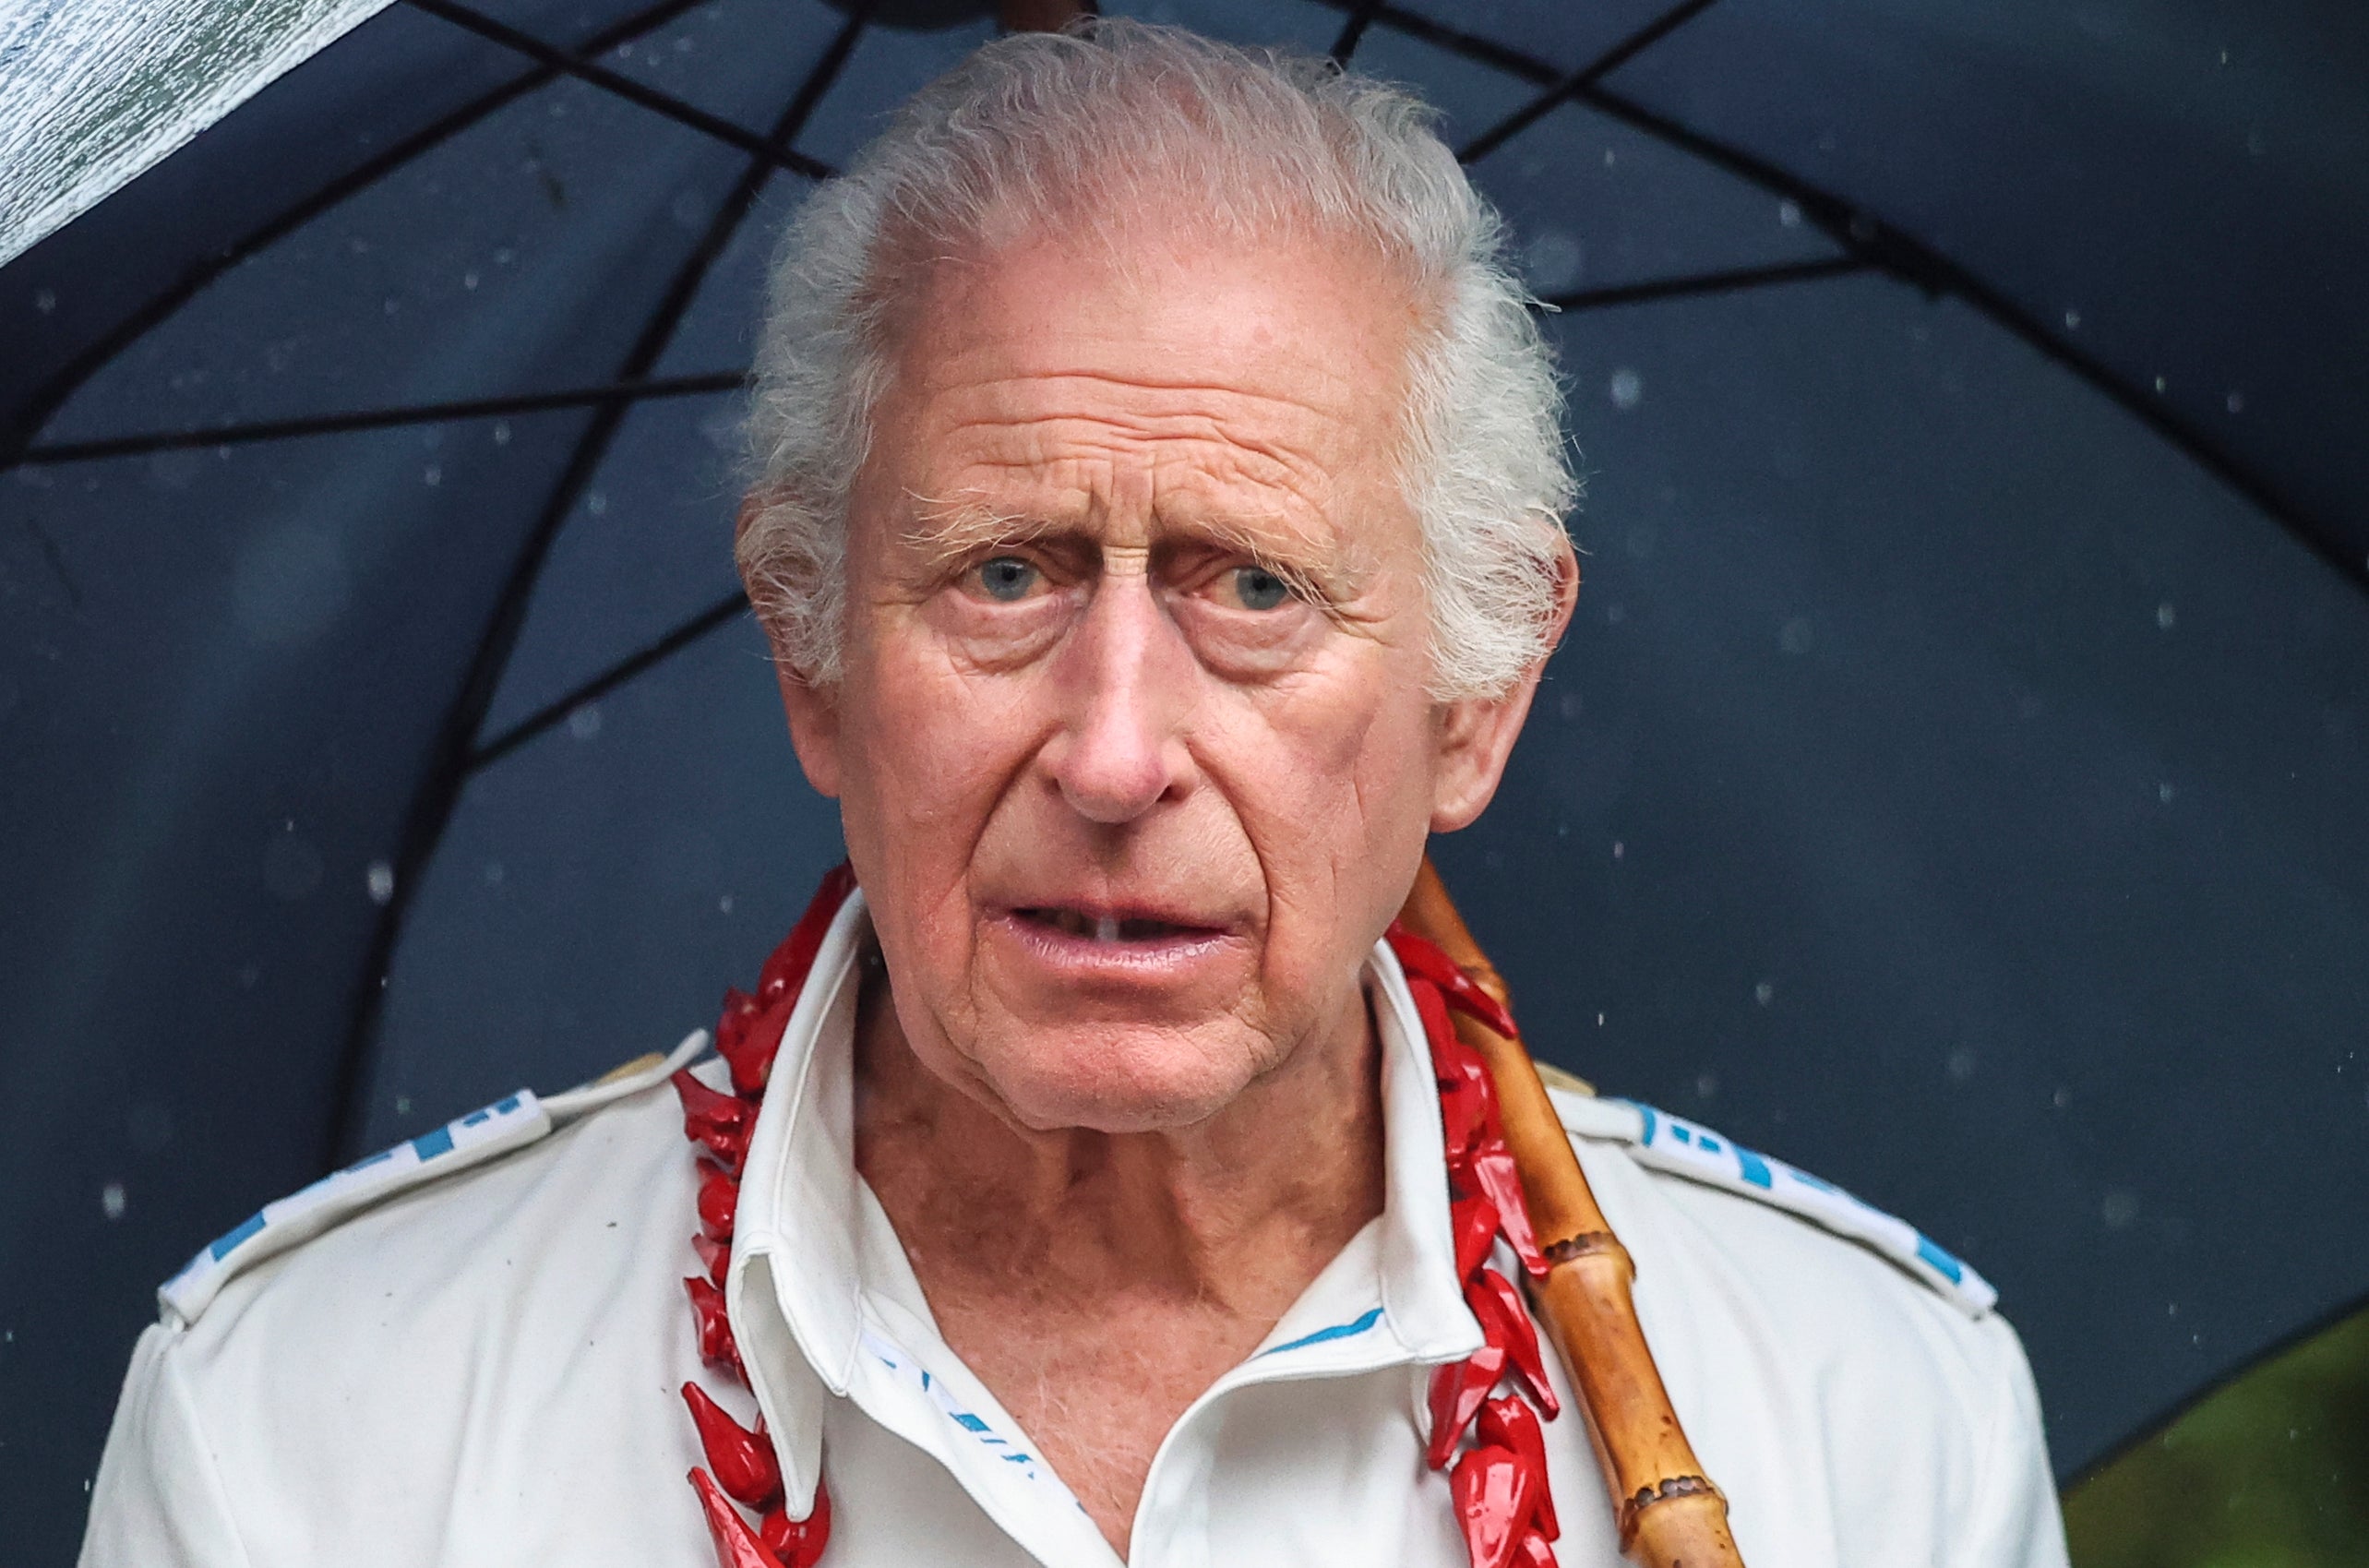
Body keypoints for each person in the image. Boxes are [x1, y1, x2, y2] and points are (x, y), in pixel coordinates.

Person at [81, 22, 2068, 1568]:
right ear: (810, 650)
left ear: (1480, 694)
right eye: (1005, 575)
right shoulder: (317, 1422)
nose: (1116, 755)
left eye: (1257, 586)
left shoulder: (1856, 1414)